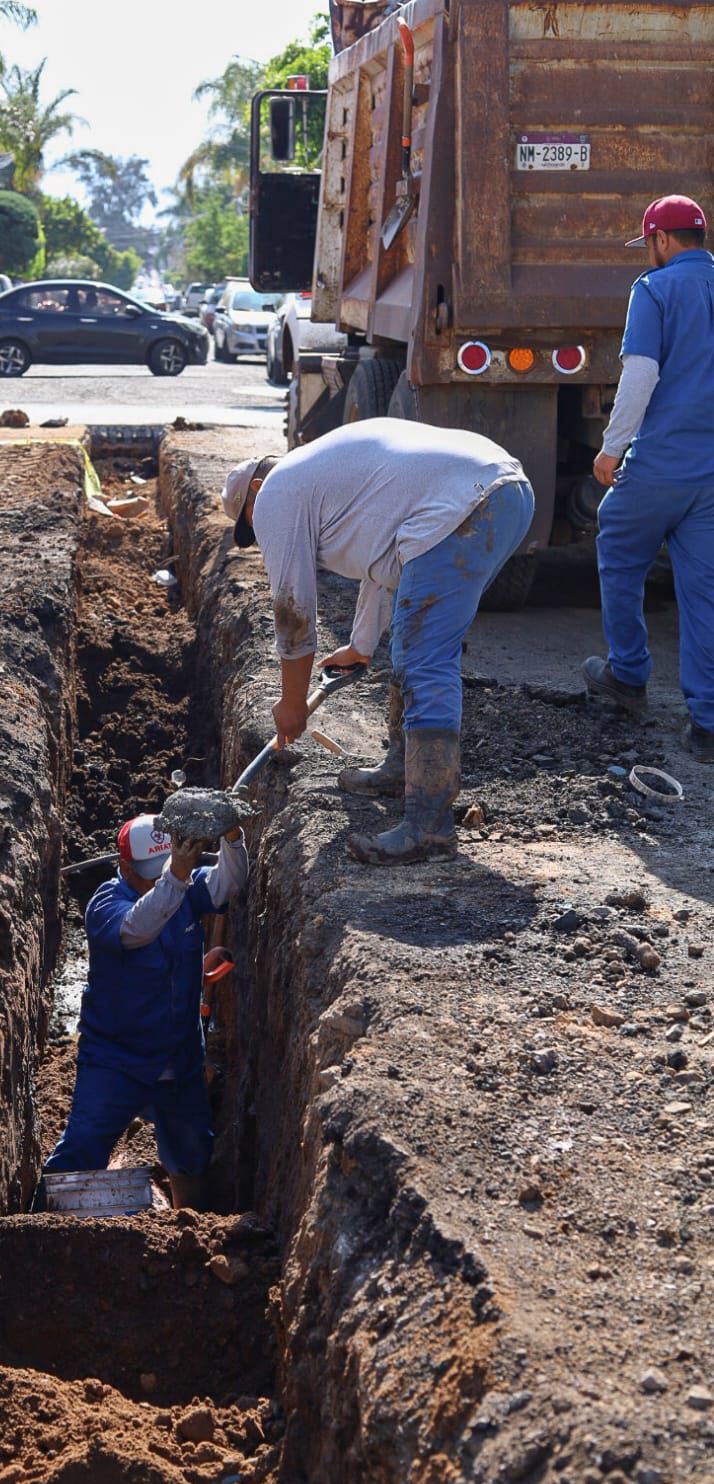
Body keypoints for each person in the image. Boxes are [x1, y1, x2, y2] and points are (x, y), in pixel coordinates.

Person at [222, 419, 535, 864]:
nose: (259, 537)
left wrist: (292, 702)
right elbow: (385, 565)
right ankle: (402, 772)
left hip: (468, 504)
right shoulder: (325, 476)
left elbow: (293, 607)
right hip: (506, 494)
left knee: (424, 657)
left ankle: (429, 829)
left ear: (257, 489)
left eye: (251, 523)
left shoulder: (277, 492)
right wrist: (361, 646)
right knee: (414, 643)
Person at [44, 812, 248, 1209]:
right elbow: (139, 927)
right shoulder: (106, 905)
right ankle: (51, 1223)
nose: (158, 882)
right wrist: (177, 876)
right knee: (82, 1148)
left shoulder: (184, 887)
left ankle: (191, 1222)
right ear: (124, 866)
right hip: (116, 1058)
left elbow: (228, 882)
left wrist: (232, 836)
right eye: (150, 875)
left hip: (179, 1057)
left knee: (191, 1152)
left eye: (164, 870)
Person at [583, 194, 714, 764]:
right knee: (704, 591)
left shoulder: (654, 289)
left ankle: (629, 675)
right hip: (711, 472)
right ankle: (708, 724)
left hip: (662, 462)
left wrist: (612, 448)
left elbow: (639, 374)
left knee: (617, 546)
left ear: (661, 239)